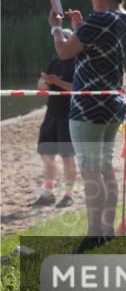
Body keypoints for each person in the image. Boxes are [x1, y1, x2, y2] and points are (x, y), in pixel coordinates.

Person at [49, 0, 126, 252]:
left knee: (90, 171)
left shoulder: (99, 20)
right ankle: (107, 229)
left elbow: (64, 52)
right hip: (113, 105)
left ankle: (93, 233)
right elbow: (98, 54)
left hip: (88, 108)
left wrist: (56, 28)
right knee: (105, 169)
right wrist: (80, 29)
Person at [30, 37, 77, 208]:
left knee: (67, 157)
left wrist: (57, 82)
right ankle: (47, 193)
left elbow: (78, 88)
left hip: (69, 116)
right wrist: (45, 82)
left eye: (63, 44)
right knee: (46, 154)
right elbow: (40, 86)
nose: (60, 47)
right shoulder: (54, 62)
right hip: (51, 114)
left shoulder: (78, 63)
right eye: (59, 44)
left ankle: (68, 194)